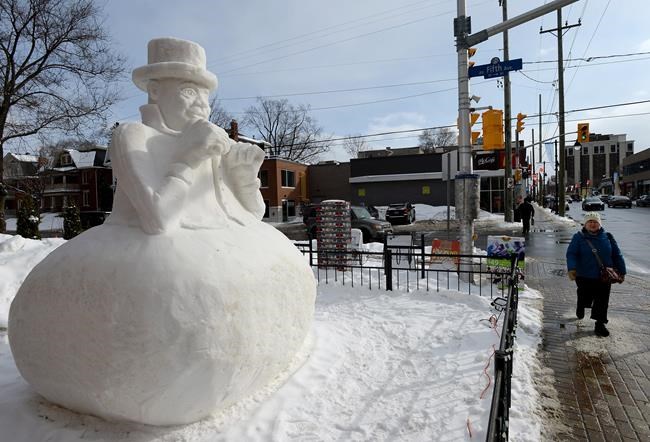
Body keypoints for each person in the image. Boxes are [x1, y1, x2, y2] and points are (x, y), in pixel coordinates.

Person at [566, 212, 626, 337]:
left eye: (595, 222)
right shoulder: (578, 237)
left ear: (599, 224)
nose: (593, 224)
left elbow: (617, 254)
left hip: (604, 276)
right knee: (585, 296)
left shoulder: (608, 237)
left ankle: (600, 324)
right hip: (584, 275)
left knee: (602, 300)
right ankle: (581, 305)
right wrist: (571, 268)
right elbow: (571, 253)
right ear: (585, 224)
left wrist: (622, 271)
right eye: (590, 222)